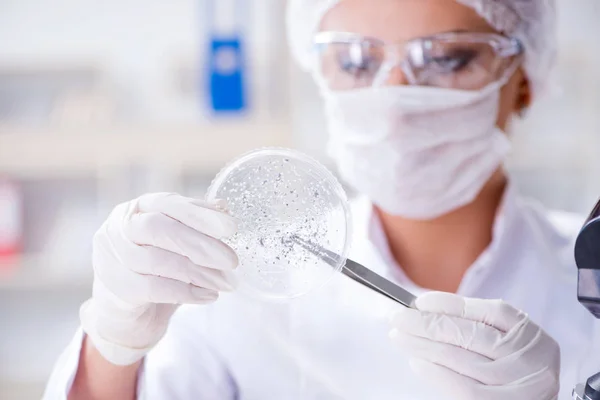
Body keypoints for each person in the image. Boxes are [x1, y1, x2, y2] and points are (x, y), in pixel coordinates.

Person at [43, 0, 600, 399]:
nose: (393, 96)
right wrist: (113, 344)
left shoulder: (593, 285)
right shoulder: (237, 287)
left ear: (523, 79)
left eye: (448, 57)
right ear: (321, 75)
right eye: (356, 60)